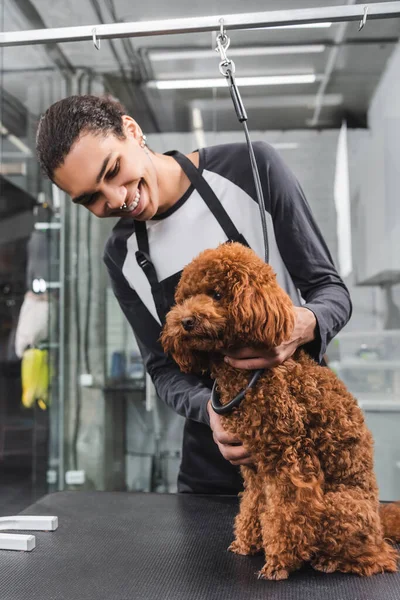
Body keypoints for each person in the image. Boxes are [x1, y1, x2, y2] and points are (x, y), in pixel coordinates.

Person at [36, 94, 352, 495]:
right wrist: (211, 411)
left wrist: (298, 326)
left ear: (132, 131)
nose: (115, 199)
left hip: (301, 434)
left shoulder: (251, 169)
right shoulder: (122, 255)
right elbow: (163, 370)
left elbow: (332, 292)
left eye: (113, 170)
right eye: (91, 199)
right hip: (214, 459)